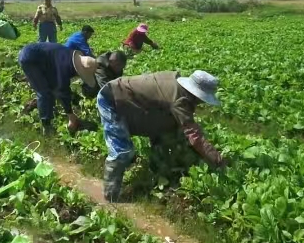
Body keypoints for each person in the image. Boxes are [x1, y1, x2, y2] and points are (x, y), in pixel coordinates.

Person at [95, 69, 227, 203]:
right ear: (197, 95)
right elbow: (195, 137)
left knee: (168, 134)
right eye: (202, 99)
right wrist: (218, 161)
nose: (202, 103)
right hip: (111, 99)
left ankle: (157, 172)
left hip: (130, 100)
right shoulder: (180, 100)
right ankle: (110, 198)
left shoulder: (177, 85)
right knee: (122, 151)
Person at [18, 42, 97, 136]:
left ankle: (48, 109)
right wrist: (70, 115)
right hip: (30, 59)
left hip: (41, 59)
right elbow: (62, 90)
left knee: (51, 87)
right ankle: (46, 126)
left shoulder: (70, 56)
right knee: (44, 92)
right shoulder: (64, 66)